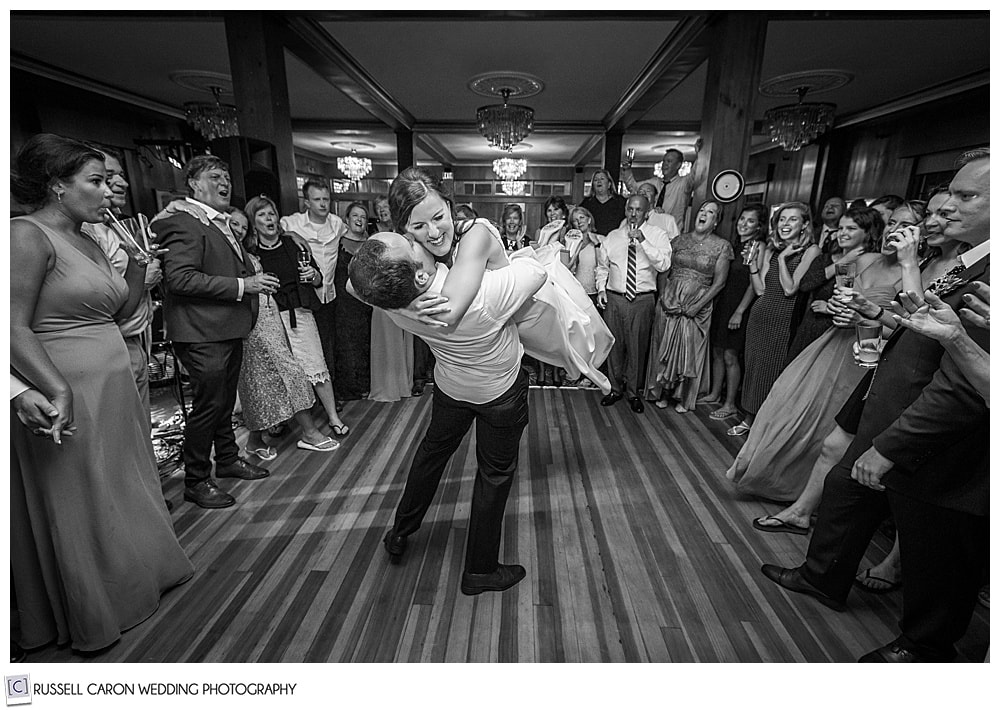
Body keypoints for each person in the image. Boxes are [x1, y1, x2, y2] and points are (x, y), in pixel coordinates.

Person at [760, 151, 989, 663]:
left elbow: (962, 384)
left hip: (936, 432)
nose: (947, 206)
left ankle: (926, 646)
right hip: (888, 394)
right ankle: (823, 577)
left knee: (939, 544)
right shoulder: (969, 259)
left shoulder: (986, 271)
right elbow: (924, 330)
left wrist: (892, 444)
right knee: (844, 483)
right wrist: (872, 312)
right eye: (950, 192)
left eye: (967, 196)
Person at [10, 133, 193, 653]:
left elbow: (115, 310)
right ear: (56, 185)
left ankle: (141, 578)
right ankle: (95, 610)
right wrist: (51, 387)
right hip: (63, 386)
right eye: (95, 181)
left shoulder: (87, 238)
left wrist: (138, 270)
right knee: (81, 496)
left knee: (120, 484)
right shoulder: (25, 235)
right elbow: (11, 326)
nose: (108, 192)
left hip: (111, 382)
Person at [741, 190, 967, 545]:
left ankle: (820, 516)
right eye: (892, 223)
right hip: (836, 342)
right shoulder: (866, 259)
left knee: (838, 440)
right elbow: (839, 289)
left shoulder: (925, 271)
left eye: (906, 225)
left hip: (872, 355)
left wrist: (867, 316)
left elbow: (912, 327)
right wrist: (836, 308)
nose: (896, 230)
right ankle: (794, 501)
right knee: (792, 409)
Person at [350, 230, 547, 596]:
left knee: (431, 456)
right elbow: (536, 271)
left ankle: (400, 533)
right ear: (420, 274)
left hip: (452, 389)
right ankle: (480, 570)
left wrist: (408, 303)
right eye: (409, 242)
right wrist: (482, 239)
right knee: (494, 475)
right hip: (498, 394)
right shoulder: (483, 295)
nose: (414, 235)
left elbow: (353, 286)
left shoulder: (391, 298)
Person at [385, 167, 613, 395]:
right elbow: (354, 284)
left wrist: (404, 309)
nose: (433, 232)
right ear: (403, 231)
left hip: (535, 315)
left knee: (578, 350)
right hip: (463, 372)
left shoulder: (475, 234)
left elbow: (450, 312)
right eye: (418, 226)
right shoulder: (418, 250)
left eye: (438, 217)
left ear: (449, 206)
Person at [726, 207, 894, 504]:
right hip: (824, 331)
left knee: (823, 414)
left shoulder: (876, 262)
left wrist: (831, 307)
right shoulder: (842, 259)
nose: (843, 233)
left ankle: (802, 490)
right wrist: (832, 304)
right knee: (793, 402)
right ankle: (781, 479)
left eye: (851, 229)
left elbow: (834, 298)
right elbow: (839, 293)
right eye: (841, 228)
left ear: (869, 234)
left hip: (855, 343)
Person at [156, 155, 274, 509]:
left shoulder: (216, 222)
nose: (225, 183)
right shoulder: (183, 222)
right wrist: (243, 284)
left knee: (222, 403)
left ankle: (227, 459)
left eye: (227, 176)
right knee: (208, 407)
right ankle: (196, 478)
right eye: (215, 176)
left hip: (226, 328)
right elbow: (180, 278)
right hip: (200, 331)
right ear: (193, 183)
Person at [232, 204, 339, 458]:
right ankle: (305, 432)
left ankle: (324, 420)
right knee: (273, 377)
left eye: (271, 213)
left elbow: (318, 278)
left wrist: (313, 275)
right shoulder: (248, 252)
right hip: (262, 319)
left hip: (296, 311)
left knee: (309, 365)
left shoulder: (294, 243)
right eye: (261, 215)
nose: (269, 218)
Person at [81, 147, 160, 414]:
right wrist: (142, 277)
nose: (122, 183)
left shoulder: (118, 225)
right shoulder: (84, 232)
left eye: (118, 175)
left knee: (141, 427)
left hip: (137, 338)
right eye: (103, 178)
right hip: (111, 344)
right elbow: (101, 299)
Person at [730, 202, 817, 435]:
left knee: (774, 369)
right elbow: (760, 290)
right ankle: (748, 417)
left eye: (792, 219)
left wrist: (782, 260)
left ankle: (765, 423)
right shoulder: (770, 249)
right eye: (781, 219)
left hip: (784, 317)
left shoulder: (811, 251)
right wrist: (752, 267)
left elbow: (790, 289)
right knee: (754, 367)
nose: (785, 224)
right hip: (760, 314)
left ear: (805, 224)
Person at [644, 200, 732, 412]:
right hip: (670, 300)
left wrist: (699, 305)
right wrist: (664, 296)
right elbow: (664, 269)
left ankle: (683, 397)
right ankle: (663, 391)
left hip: (698, 304)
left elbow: (719, 282)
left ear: (716, 221)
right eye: (702, 210)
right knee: (664, 344)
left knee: (690, 349)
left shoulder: (722, 246)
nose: (703, 214)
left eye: (710, 212)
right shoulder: (678, 241)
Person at [596, 194, 673, 413]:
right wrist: (601, 289)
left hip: (642, 298)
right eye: (630, 208)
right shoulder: (612, 236)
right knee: (615, 345)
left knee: (637, 347)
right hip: (615, 297)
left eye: (638, 210)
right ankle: (615, 389)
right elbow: (603, 266)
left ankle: (633, 392)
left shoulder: (657, 235)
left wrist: (643, 241)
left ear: (647, 212)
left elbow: (664, 264)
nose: (633, 213)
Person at [279, 180, 346, 384]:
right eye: (317, 199)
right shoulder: (291, 223)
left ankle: (330, 391)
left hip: (328, 295)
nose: (323, 204)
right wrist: (290, 234)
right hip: (302, 298)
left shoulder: (337, 224)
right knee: (304, 350)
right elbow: (265, 231)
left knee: (328, 345)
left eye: (326, 199)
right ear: (306, 202)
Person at [703, 204, 766, 420]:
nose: (744, 224)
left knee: (731, 355)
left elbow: (753, 284)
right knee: (718, 351)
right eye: (742, 219)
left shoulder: (759, 247)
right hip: (725, 303)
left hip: (740, 306)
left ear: (759, 226)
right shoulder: (734, 245)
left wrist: (739, 311)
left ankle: (730, 403)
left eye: (750, 221)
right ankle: (714, 393)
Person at [333, 201, 373, 401]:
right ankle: (348, 388)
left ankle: (366, 384)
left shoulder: (371, 245)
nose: (359, 220)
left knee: (366, 342)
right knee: (346, 344)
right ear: (347, 220)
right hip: (343, 302)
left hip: (367, 301)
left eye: (363, 217)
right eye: (355, 216)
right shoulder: (336, 242)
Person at [621, 141, 703, 231]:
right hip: (650, 231)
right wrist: (627, 169)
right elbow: (633, 187)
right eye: (664, 161)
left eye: (669, 161)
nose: (665, 164)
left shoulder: (683, 183)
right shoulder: (654, 182)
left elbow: (696, 173)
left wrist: (700, 153)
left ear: (678, 165)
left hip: (671, 233)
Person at [578, 168, 626, 238]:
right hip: (593, 240)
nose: (599, 181)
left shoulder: (620, 201)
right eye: (596, 180)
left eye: (602, 179)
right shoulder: (587, 203)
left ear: (609, 184)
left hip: (616, 239)